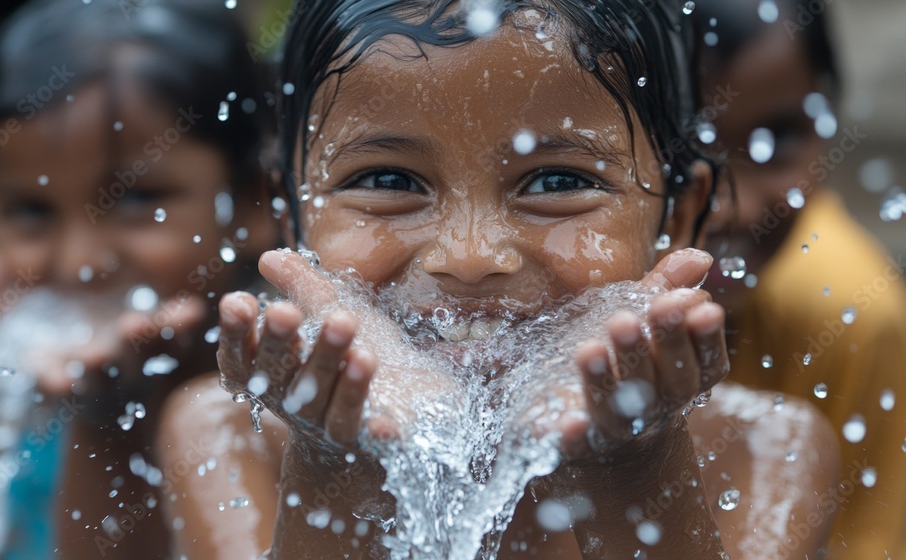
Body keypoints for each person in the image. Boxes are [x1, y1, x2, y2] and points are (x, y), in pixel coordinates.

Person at [156, 1, 840, 558]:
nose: (471, 254)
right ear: (289, 214)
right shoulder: (226, 432)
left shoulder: (763, 449)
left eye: (557, 181)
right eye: (388, 180)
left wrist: (633, 462)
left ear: (680, 215)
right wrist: (334, 462)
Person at [0, 0, 277, 558]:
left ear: (254, 200)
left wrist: (113, 424)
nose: (82, 261)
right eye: (31, 211)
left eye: (138, 199)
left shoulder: (287, 397)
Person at [699, 1, 906, 557]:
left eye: (776, 139)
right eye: (687, 147)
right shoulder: (528, 287)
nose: (732, 207)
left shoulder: (850, 313)